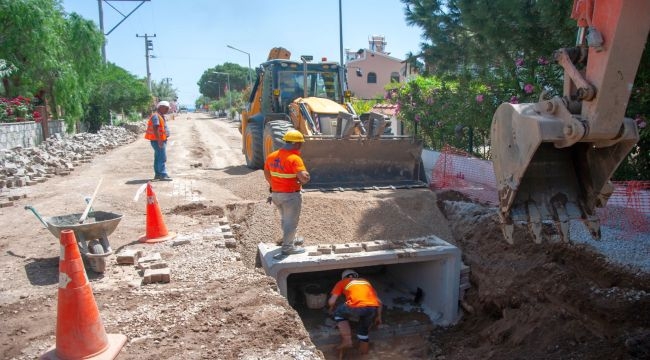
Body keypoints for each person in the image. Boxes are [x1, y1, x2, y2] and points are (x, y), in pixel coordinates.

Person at [264, 130, 310, 256]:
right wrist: (306, 178)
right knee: (291, 222)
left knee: (285, 219)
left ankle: (290, 240)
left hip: (276, 195)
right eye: (300, 143)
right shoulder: (295, 158)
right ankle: (288, 248)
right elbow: (303, 178)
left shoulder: (272, 156)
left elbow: (267, 174)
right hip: (290, 196)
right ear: (296, 143)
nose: (301, 146)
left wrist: (274, 186)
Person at [328, 269, 382, 354]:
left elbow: (332, 301)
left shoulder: (342, 282)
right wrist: (379, 316)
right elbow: (379, 302)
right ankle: (364, 353)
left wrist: (331, 308)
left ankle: (347, 340)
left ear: (343, 278)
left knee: (338, 312)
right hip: (372, 308)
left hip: (355, 306)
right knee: (363, 330)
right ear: (356, 276)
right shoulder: (365, 282)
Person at [144, 101, 172, 181]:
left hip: (158, 140)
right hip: (158, 141)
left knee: (158, 158)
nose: (167, 110)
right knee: (162, 158)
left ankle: (157, 174)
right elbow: (155, 128)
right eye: (166, 108)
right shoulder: (156, 116)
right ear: (161, 107)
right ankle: (163, 174)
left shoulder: (160, 115)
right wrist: (159, 140)